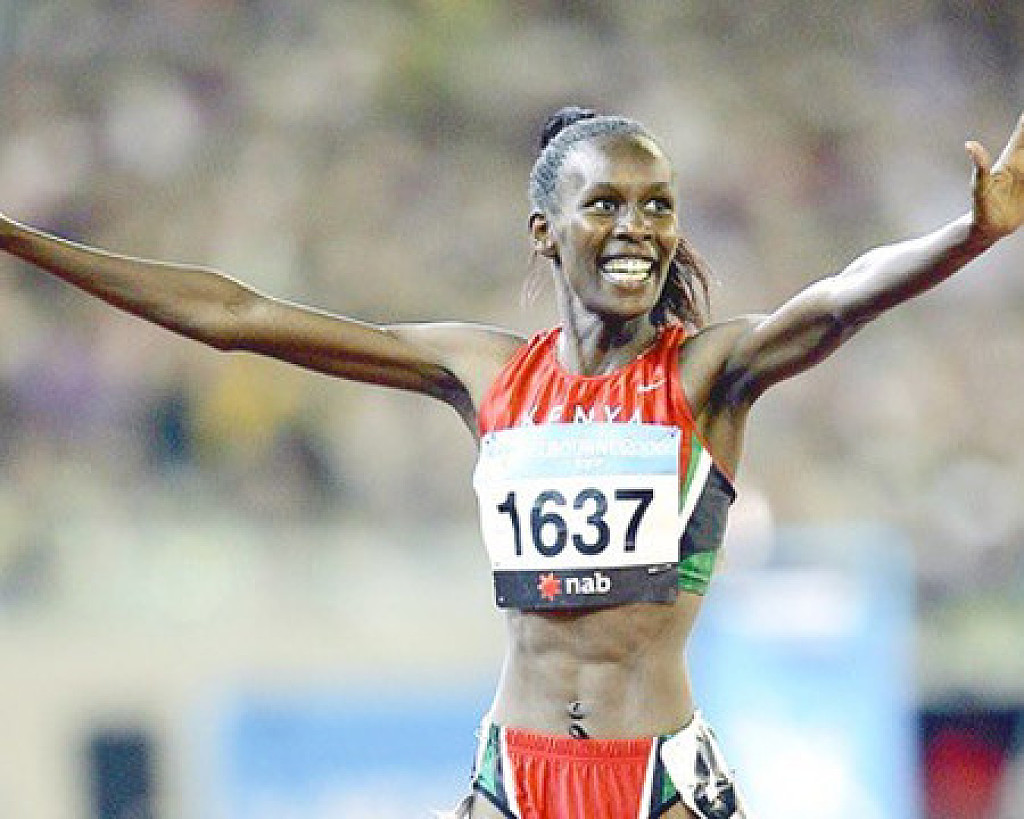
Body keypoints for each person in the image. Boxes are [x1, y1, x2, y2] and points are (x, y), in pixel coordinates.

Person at [2, 104, 1022, 819]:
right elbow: (235, 314)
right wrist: (15, 237)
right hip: (513, 776)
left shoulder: (708, 373)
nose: (636, 228)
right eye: (605, 203)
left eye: (658, 206)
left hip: (656, 779)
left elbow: (842, 297)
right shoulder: (482, 372)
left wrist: (967, 237)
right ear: (545, 230)